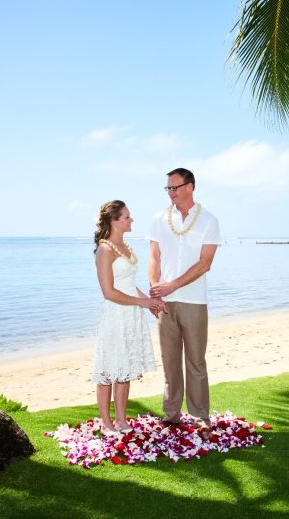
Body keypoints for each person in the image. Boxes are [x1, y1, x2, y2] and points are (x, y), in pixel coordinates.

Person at [148, 168, 221, 436]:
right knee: (169, 361)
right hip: (164, 302)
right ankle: (171, 414)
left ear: (190, 187)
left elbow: (205, 264)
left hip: (193, 301)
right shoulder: (158, 219)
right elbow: (153, 257)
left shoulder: (209, 221)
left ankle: (201, 416)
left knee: (195, 361)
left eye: (175, 187)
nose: (171, 192)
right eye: (167, 188)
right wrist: (156, 289)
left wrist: (173, 284)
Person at [92, 200, 163, 435]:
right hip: (115, 315)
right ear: (114, 221)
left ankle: (121, 420)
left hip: (131, 314)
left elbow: (130, 286)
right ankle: (106, 422)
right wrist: (143, 302)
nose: (131, 220)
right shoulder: (105, 249)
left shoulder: (126, 246)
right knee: (108, 370)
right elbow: (108, 292)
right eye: (127, 217)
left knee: (125, 368)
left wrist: (149, 304)